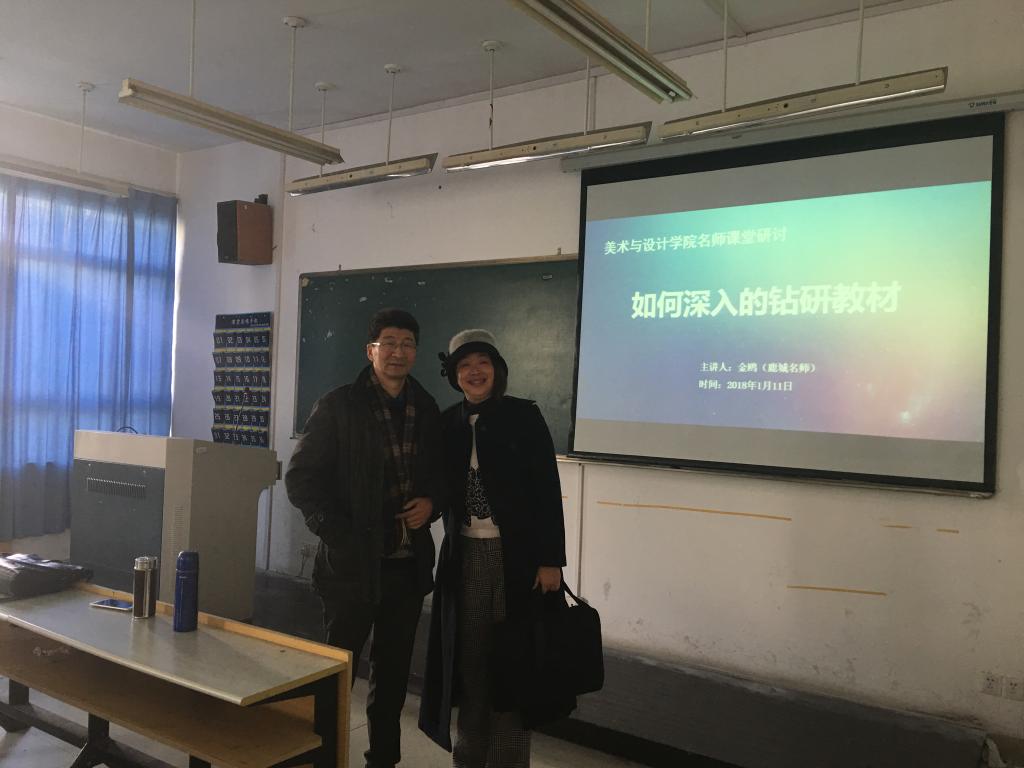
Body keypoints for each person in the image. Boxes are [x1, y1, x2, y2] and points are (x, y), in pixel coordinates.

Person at [286, 308, 444, 768]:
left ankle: (384, 761)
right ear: (370, 350)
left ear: (416, 352)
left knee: (392, 680)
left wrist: (433, 502)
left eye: (408, 344)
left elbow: (441, 474)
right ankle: (324, 759)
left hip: (407, 567)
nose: (398, 352)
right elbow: (301, 479)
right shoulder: (338, 405)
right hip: (351, 568)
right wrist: (338, 535)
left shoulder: (427, 407)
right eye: (388, 343)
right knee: (337, 674)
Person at [419, 329, 570, 768]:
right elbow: (436, 486)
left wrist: (550, 560)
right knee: (471, 663)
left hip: (517, 560)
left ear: (497, 370)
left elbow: (547, 489)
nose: (474, 372)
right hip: (464, 558)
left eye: (482, 362)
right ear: (454, 376)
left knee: (513, 662)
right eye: (464, 365)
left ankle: (508, 761)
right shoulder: (447, 423)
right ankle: (468, 756)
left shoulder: (524, 416)